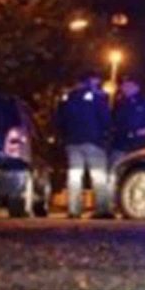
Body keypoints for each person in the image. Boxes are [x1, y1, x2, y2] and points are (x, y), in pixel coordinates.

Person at [55, 71, 112, 219]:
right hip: (94, 141)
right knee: (99, 176)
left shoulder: (67, 98)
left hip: (73, 142)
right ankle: (102, 209)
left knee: (74, 176)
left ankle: (74, 210)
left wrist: (65, 137)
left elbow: (59, 120)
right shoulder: (98, 97)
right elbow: (105, 119)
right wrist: (105, 135)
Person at [111, 77, 145, 163]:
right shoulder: (120, 102)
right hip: (120, 144)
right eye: (123, 86)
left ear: (136, 87)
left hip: (139, 145)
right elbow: (114, 120)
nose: (125, 88)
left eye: (128, 86)